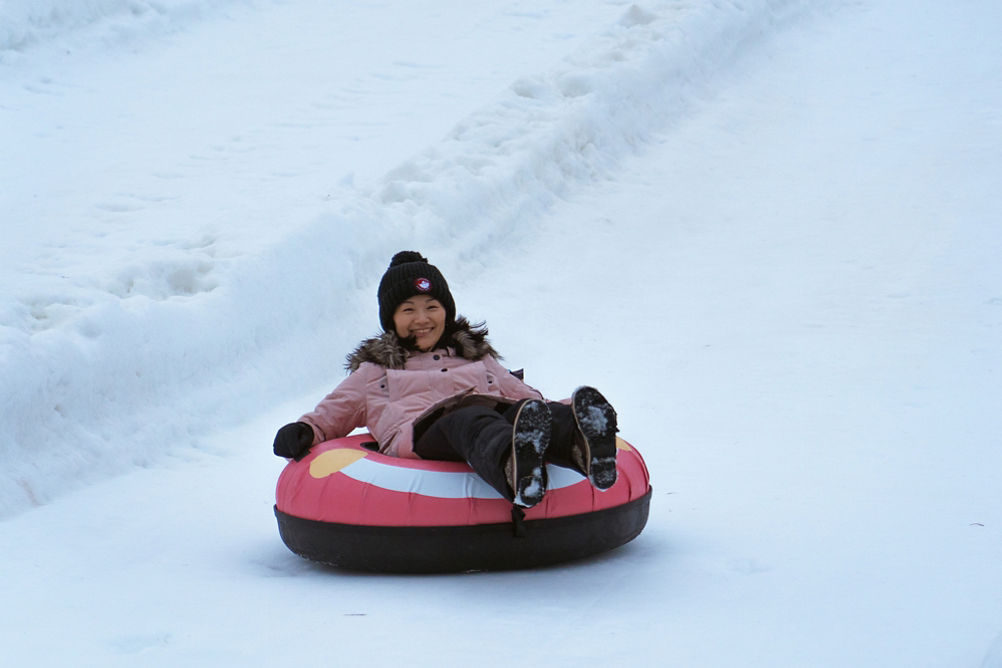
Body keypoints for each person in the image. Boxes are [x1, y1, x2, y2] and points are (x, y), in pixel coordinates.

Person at [272, 251, 619, 508]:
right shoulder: (375, 371)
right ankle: (515, 467)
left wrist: (562, 411)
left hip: (489, 414)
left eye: (432, 307)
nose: (422, 319)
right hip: (424, 431)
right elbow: (334, 412)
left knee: (518, 412)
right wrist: (305, 430)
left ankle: (582, 445)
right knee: (469, 417)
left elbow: (526, 399)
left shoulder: (476, 356)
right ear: (391, 319)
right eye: (408, 310)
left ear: (447, 312)